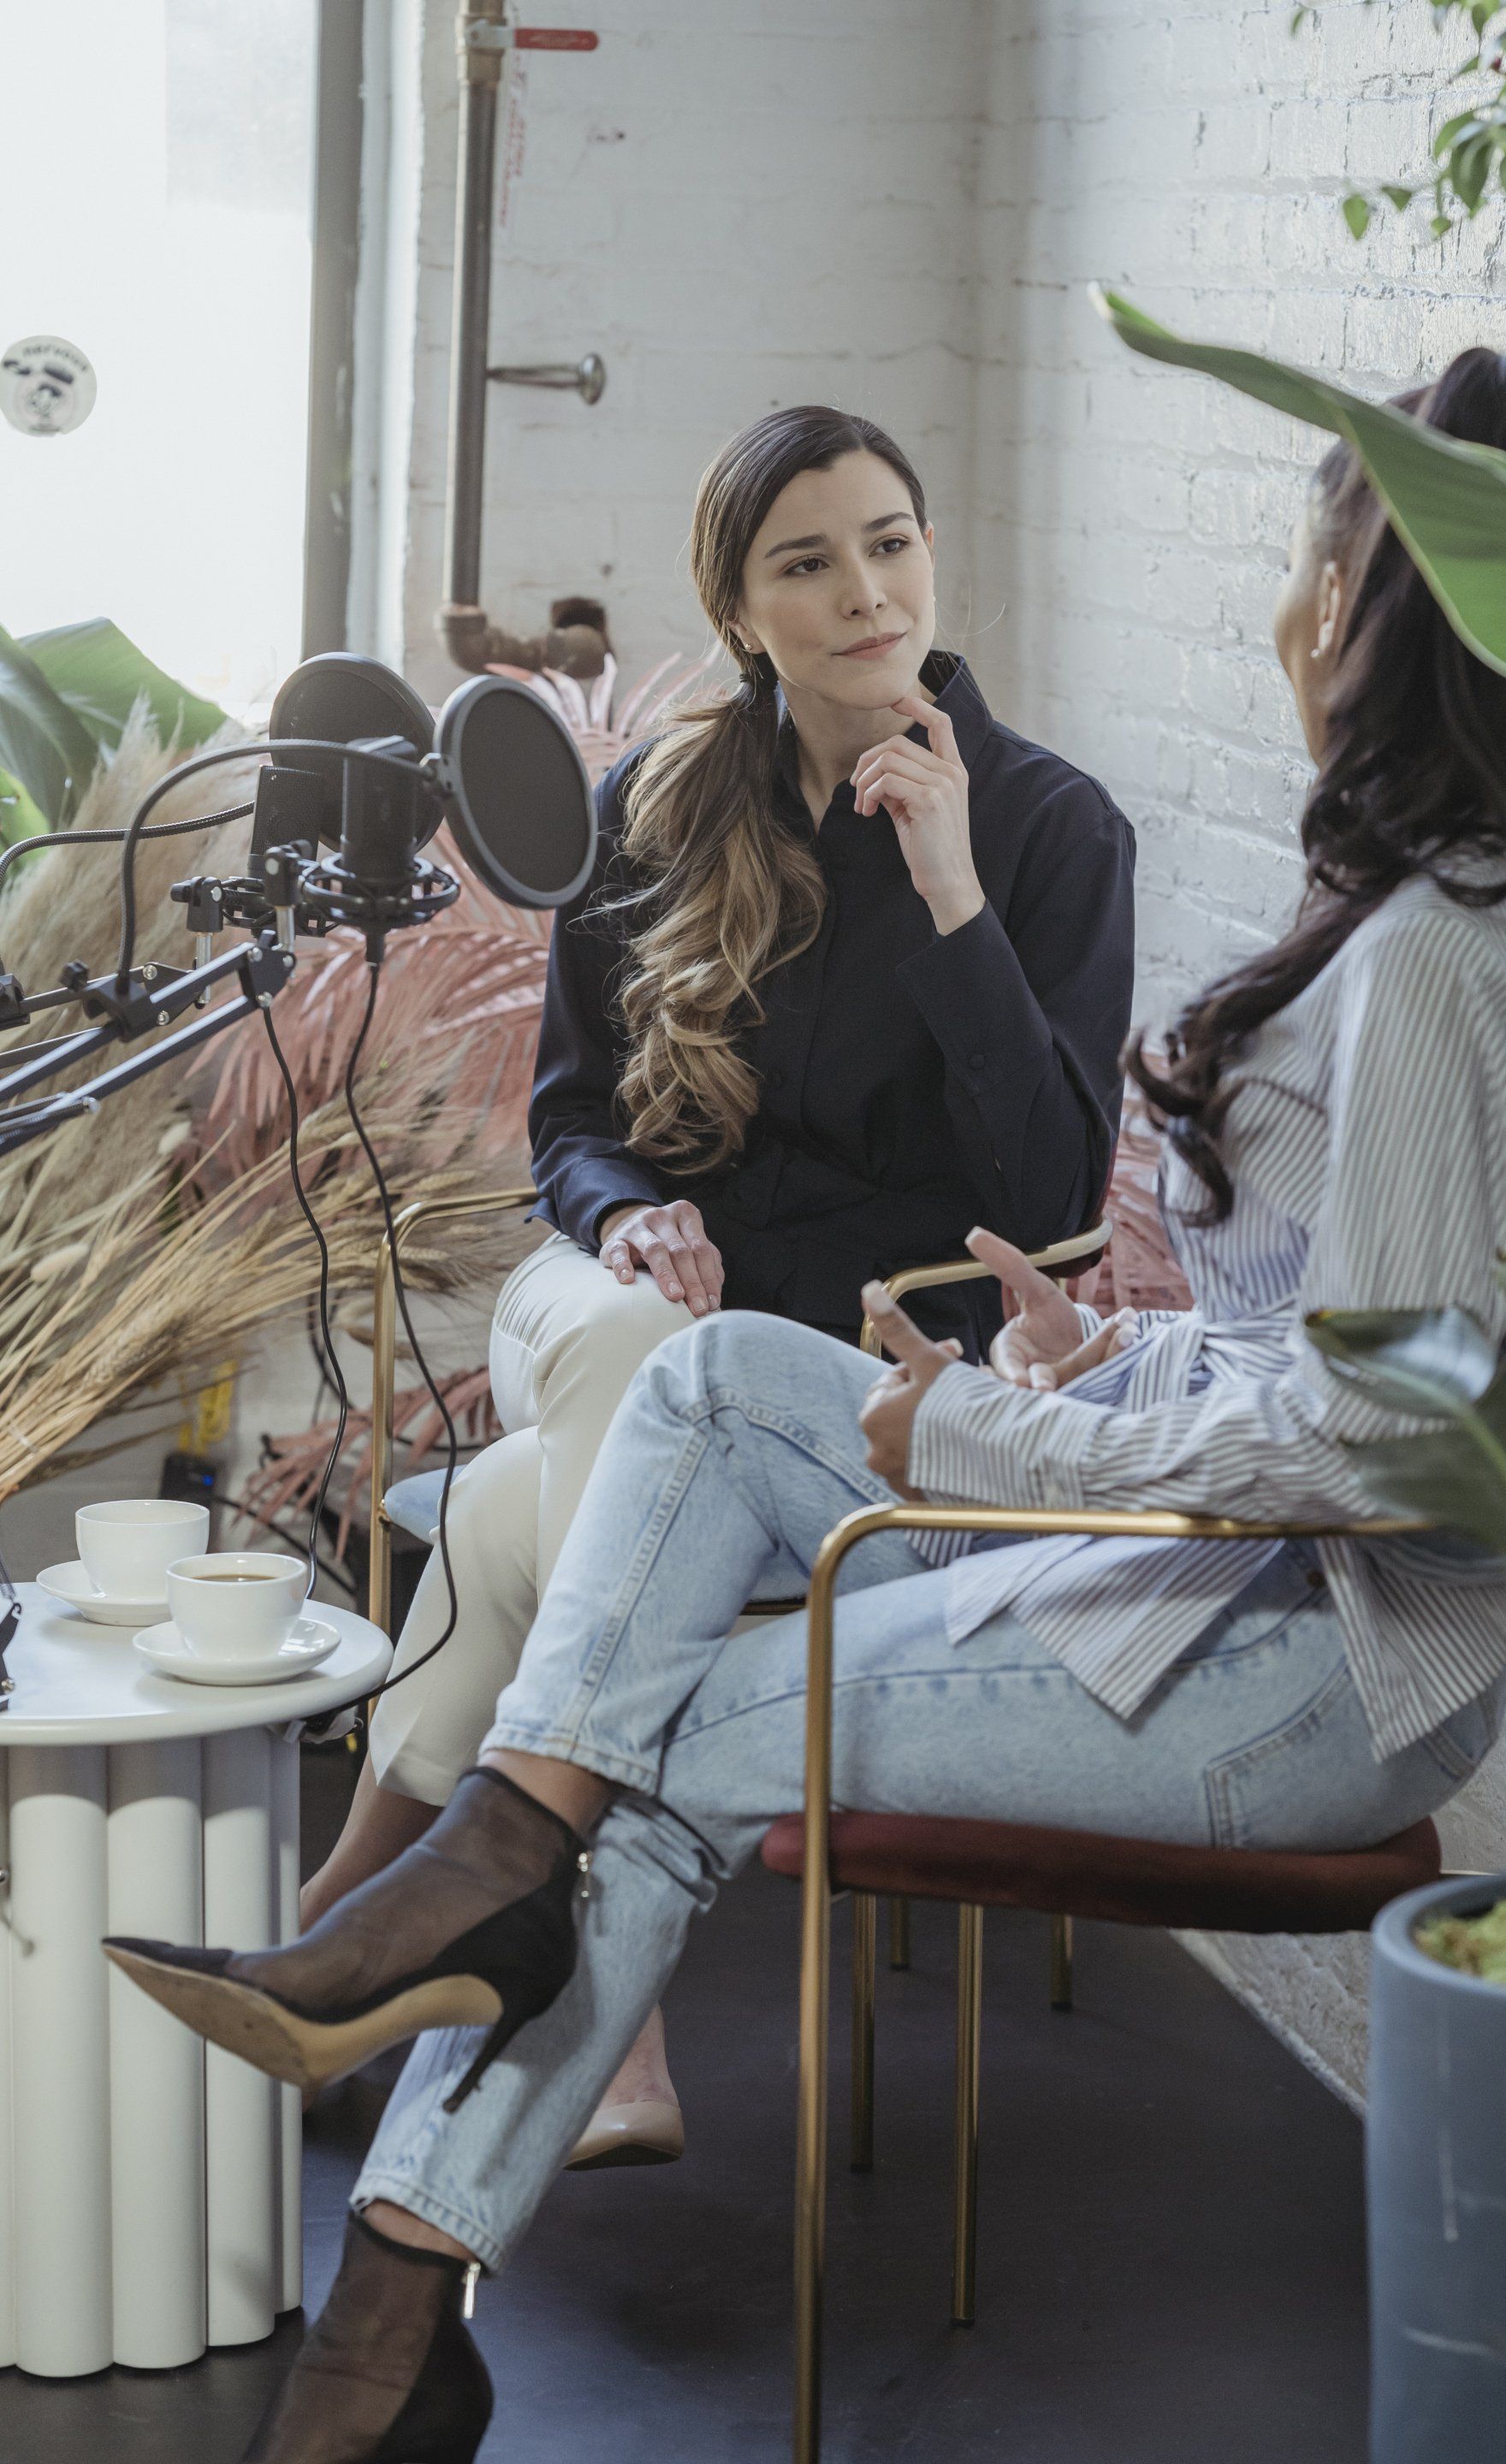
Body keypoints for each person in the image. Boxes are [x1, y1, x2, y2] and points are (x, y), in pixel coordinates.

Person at [107, 341, 1506, 2464]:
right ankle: (437, 1996)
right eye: (809, 561)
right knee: (714, 1381)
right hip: (1198, 1551)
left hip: (1305, 1660)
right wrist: (1113, 1359)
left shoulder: (1410, 942)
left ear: (1385, 602)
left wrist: (999, 1432)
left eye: (1316, 559)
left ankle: (388, 2287)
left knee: (659, 1744)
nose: (1286, 613)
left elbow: (1383, 1439)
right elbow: (1383, 1347)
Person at [299, 402, 1135, 2165]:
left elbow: (1056, 1198)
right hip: (608, 1300)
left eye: (891, 542)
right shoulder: (661, 800)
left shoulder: (1050, 827)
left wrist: (952, 892)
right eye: (807, 563)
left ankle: (339, 1938)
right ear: (741, 608)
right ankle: (613, 2003)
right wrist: (625, 1223)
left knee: (519, 1521)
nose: (864, 591)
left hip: (870, 1380)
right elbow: (570, 1120)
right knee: (627, 1355)